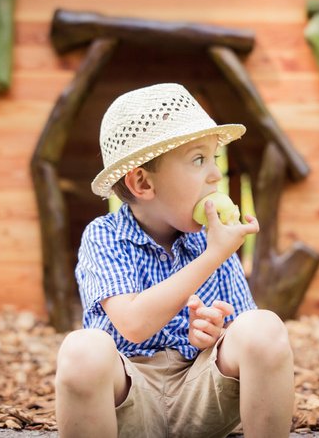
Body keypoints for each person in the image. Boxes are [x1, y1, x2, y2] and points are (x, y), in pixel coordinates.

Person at [54, 83, 294, 438]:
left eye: (215, 158)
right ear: (142, 183)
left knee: (265, 327)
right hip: (127, 403)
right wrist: (213, 256)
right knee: (81, 349)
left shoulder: (212, 238)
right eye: (199, 160)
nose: (216, 173)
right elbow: (133, 324)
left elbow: (249, 341)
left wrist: (214, 336)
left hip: (201, 394)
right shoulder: (104, 236)